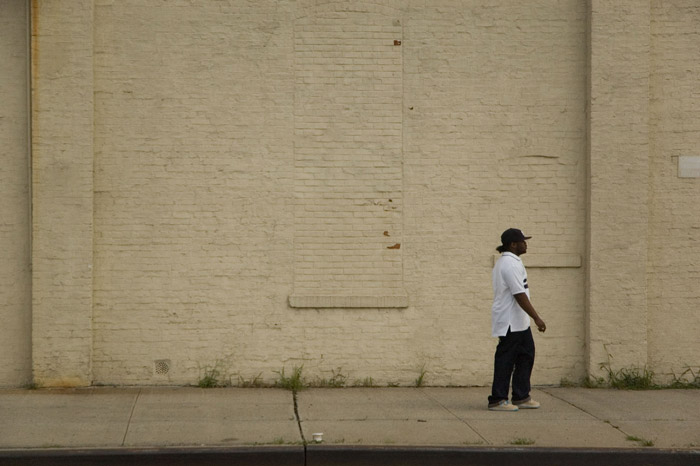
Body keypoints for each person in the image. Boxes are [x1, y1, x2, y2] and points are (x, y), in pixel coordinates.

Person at [488, 228, 546, 412]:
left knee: (526, 355)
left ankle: (521, 396)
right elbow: (519, 294)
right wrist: (536, 317)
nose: (525, 244)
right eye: (522, 241)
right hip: (509, 322)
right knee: (506, 360)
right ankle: (498, 399)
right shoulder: (509, 264)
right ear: (513, 244)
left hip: (519, 321)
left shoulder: (512, 262)